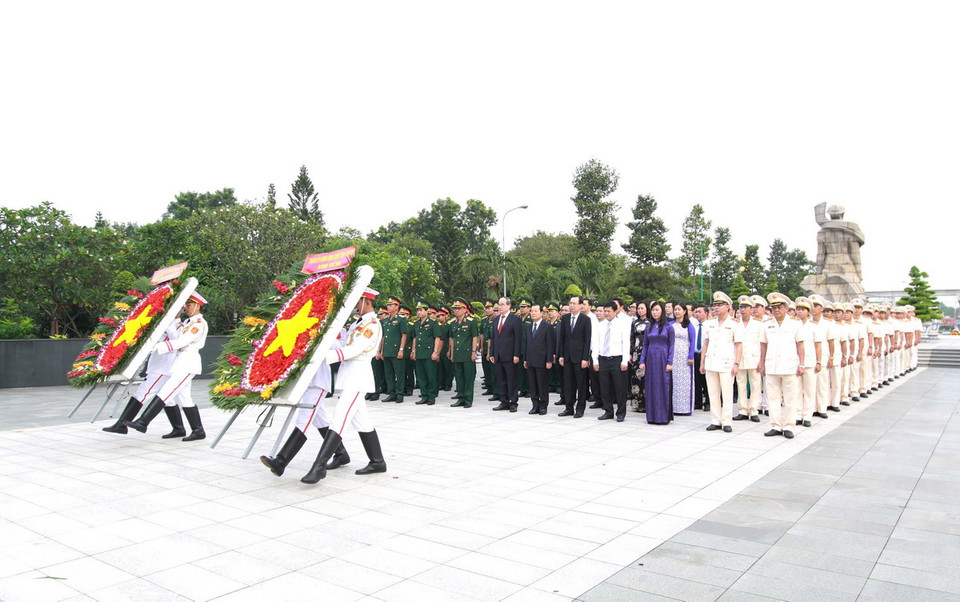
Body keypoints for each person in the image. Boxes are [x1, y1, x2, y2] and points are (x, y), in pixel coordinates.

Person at [301, 287, 387, 484]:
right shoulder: (358, 323)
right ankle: (378, 461)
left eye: (357, 300)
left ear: (366, 300)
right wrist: (325, 341)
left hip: (358, 377)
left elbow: (355, 349)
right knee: (361, 421)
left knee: (340, 418)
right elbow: (344, 346)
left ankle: (319, 467)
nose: (355, 304)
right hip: (349, 375)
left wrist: (326, 356)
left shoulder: (372, 324)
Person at [124, 293, 209, 441]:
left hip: (188, 361)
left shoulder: (198, 324)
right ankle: (197, 430)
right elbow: (176, 337)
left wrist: (158, 346)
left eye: (189, 305)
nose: (186, 308)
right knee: (184, 398)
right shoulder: (187, 323)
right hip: (180, 360)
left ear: (197, 306)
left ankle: (143, 422)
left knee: (167, 392)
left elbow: (182, 341)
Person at [259, 358, 351, 477]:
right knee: (320, 421)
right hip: (305, 379)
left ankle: (281, 461)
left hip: (318, 382)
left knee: (304, 420)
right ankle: (341, 453)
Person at [102, 344, 179, 436]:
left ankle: (121, 425)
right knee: (167, 399)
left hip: (162, 367)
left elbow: (175, 340)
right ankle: (179, 428)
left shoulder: (173, 329)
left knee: (141, 394)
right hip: (159, 364)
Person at [759, 292, 804, 439]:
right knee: (773, 397)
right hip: (772, 365)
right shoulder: (767, 325)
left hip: (789, 365)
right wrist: (762, 363)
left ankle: (789, 425)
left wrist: (802, 364)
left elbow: (800, 345)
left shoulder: (795, 324)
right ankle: (776, 425)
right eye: (774, 308)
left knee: (791, 398)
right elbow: (763, 345)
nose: (776, 310)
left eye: (779, 307)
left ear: (786, 308)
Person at [699, 291, 743, 433]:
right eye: (714, 305)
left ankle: (726, 421)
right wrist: (702, 362)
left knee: (727, 393)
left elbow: (738, 345)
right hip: (711, 362)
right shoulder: (710, 324)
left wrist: (737, 363)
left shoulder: (735, 324)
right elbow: (705, 343)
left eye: (720, 305)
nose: (716, 308)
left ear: (728, 307)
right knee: (713, 393)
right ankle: (715, 420)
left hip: (726, 363)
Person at [593, 302, 631, 422]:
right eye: (605, 311)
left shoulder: (622, 324)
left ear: (615, 312)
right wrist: (595, 360)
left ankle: (621, 413)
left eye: (609, 311)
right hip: (603, 358)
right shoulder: (600, 325)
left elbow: (626, 343)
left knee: (620, 388)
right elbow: (596, 343)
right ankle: (608, 411)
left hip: (617, 359)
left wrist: (625, 360)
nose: (606, 313)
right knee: (605, 387)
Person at [639, 301, 674, 425]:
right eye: (653, 310)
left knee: (663, 385)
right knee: (651, 386)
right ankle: (652, 416)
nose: (654, 312)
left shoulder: (669, 327)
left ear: (662, 311)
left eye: (657, 310)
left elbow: (671, 345)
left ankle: (663, 416)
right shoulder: (649, 326)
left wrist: (670, 362)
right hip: (651, 358)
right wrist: (642, 360)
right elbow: (645, 345)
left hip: (663, 357)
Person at [557, 295, 592, 418]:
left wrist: (585, 358)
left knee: (581, 384)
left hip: (579, 357)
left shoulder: (585, 320)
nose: (571, 305)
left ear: (580, 305)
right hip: (567, 356)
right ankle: (569, 407)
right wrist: (561, 355)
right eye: (570, 303)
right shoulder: (565, 318)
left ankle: (580, 409)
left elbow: (587, 340)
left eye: (574, 303)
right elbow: (562, 338)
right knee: (568, 384)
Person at [488, 297, 523, 411]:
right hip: (498, 355)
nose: (500, 307)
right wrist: (492, 353)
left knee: (511, 380)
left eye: (502, 304)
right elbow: (493, 338)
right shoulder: (496, 319)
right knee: (501, 379)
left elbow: (518, 338)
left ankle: (513, 402)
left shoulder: (515, 319)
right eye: (499, 304)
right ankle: (504, 401)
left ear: (509, 306)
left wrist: (517, 354)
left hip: (510, 355)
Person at [732, 296, 763, 423]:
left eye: (745, 308)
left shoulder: (758, 324)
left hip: (754, 358)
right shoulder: (735, 323)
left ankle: (754, 410)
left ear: (751, 309)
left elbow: (762, 343)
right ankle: (742, 410)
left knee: (755, 385)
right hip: (739, 359)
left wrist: (761, 360)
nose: (743, 310)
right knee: (741, 384)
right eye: (741, 307)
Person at [794, 296, 822, 428]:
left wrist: (819, 361)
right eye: (798, 309)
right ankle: (798, 415)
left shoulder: (814, 326)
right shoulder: (793, 325)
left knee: (809, 390)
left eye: (802, 310)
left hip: (810, 361)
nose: (799, 312)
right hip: (796, 361)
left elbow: (818, 345)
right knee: (797, 390)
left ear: (808, 312)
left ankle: (807, 416)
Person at [447, 298, 479, 408]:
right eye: (454, 309)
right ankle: (460, 398)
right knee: (459, 377)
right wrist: (451, 352)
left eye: (459, 308)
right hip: (457, 353)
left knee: (468, 377)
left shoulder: (471, 321)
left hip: (468, 353)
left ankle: (468, 399)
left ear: (465, 310)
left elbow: (475, 337)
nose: (456, 311)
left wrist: (474, 351)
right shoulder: (452, 323)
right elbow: (451, 338)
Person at [523, 304, 555, 415]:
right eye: (532, 311)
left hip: (542, 361)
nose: (533, 313)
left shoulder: (547, 327)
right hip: (531, 360)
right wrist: (525, 359)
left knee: (542, 385)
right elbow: (526, 343)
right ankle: (535, 405)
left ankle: (543, 406)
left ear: (542, 313)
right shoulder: (528, 326)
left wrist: (549, 360)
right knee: (533, 385)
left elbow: (550, 345)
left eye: (536, 311)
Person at [411, 300, 443, 406]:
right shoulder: (416, 324)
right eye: (417, 310)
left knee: (431, 376)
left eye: (421, 310)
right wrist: (413, 351)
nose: (418, 312)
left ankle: (431, 396)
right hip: (419, 353)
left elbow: (437, 338)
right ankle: (424, 395)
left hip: (429, 353)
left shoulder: (433, 323)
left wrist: (436, 352)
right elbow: (415, 338)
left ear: (426, 311)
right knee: (421, 376)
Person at [377, 296, 408, 403]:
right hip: (387, 350)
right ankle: (391, 393)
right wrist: (380, 350)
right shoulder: (386, 321)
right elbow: (383, 336)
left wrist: (401, 349)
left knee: (399, 373)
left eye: (391, 305)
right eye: (388, 305)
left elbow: (404, 335)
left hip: (396, 350)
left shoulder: (401, 319)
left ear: (397, 306)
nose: (388, 307)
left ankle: (399, 393)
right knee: (388, 373)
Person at [670, 302, 697, 416]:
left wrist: (691, 356)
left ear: (684, 311)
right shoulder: (670, 325)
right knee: (674, 381)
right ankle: (673, 407)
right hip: (673, 355)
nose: (677, 312)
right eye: (675, 310)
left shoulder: (688, 325)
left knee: (685, 382)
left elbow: (692, 341)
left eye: (679, 310)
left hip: (684, 356)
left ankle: (685, 408)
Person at [629, 301, 648, 412]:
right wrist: (630, 353)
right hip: (636, 351)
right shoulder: (635, 322)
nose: (640, 310)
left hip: (646, 350)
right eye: (638, 308)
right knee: (636, 377)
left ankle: (646, 403)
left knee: (646, 376)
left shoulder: (650, 322)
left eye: (642, 308)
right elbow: (631, 338)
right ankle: (637, 403)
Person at [691, 304, 710, 412]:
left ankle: (707, 402)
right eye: (696, 312)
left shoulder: (710, 325)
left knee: (706, 380)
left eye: (699, 312)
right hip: (695, 354)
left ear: (706, 313)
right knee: (696, 379)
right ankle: (697, 402)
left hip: (706, 355)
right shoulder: (693, 325)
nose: (697, 314)